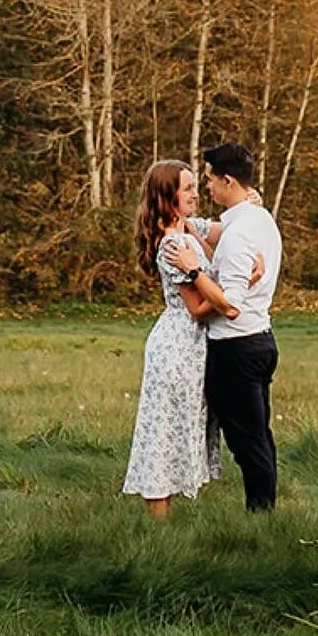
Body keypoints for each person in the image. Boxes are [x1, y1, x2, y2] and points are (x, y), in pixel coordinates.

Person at [167, 141, 283, 512]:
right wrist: (184, 224)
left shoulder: (238, 235)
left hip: (236, 347)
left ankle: (261, 514)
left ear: (228, 180)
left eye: (210, 180)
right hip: (260, 339)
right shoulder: (257, 218)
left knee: (248, 442)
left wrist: (193, 269)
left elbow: (228, 304)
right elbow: (210, 230)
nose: (206, 189)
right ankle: (264, 511)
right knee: (258, 436)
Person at [122, 160, 223, 518]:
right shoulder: (171, 244)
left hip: (194, 347)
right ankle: (157, 533)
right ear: (168, 196)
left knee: (182, 428)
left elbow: (226, 230)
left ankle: (166, 527)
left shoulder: (189, 228)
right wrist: (233, 296)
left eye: (197, 185)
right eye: (187, 188)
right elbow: (197, 307)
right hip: (177, 345)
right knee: (163, 434)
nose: (196, 193)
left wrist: (249, 208)